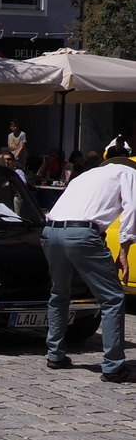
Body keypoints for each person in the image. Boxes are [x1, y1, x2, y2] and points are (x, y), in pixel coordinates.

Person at [43, 151, 136, 382]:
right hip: (82, 234)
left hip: (51, 231)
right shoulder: (129, 173)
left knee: (59, 293)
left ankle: (55, 354)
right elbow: (133, 210)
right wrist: (124, 250)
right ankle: (113, 366)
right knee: (112, 298)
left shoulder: (85, 176)